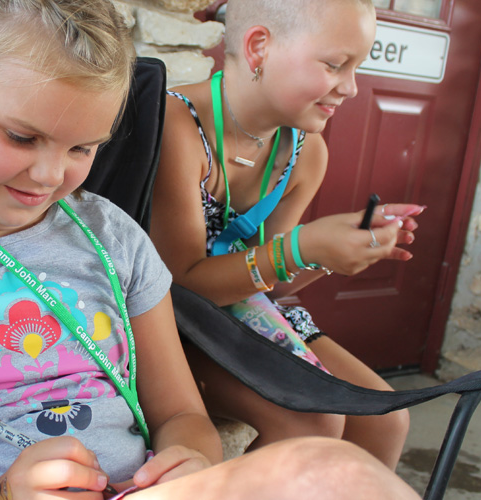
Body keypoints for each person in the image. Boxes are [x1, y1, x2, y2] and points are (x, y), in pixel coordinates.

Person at [0, 0, 422, 499]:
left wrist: (191, 458)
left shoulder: (114, 237)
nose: (49, 177)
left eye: (82, 149)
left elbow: (182, 414)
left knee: (343, 477)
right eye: (23, 136)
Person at [150, 0, 425, 470]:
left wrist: (331, 254)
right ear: (259, 47)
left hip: (241, 315)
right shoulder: (176, 125)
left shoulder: (305, 152)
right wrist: (301, 247)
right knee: (311, 423)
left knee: (385, 420)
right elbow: (182, 287)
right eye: (336, 65)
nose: (352, 88)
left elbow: (269, 284)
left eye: (358, 67)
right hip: (168, 325)